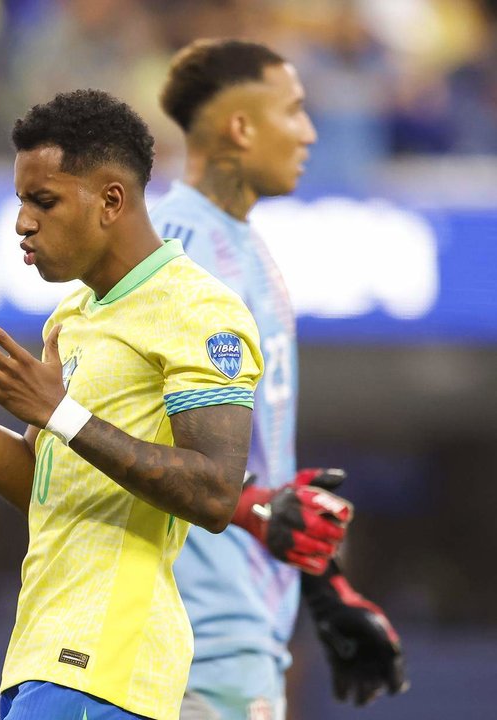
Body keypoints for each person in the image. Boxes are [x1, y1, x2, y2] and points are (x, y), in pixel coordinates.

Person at [0, 89, 263, 720]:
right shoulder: (70, 318)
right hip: (43, 657)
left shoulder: (199, 310)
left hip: (106, 663)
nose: (22, 222)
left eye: (42, 201)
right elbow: (44, 484)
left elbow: (215, 493)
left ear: (111, 200)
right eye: (21, 200)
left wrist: (64, 415)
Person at [151, 39, 409, 719]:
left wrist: (321, 584)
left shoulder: (245, 245)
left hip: (245, 634)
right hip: (188, 642)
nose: (310, 131)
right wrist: (254, 514)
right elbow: (117, 435)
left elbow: (250, 461)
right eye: (294, 111)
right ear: (241, 127)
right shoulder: (172, 249)